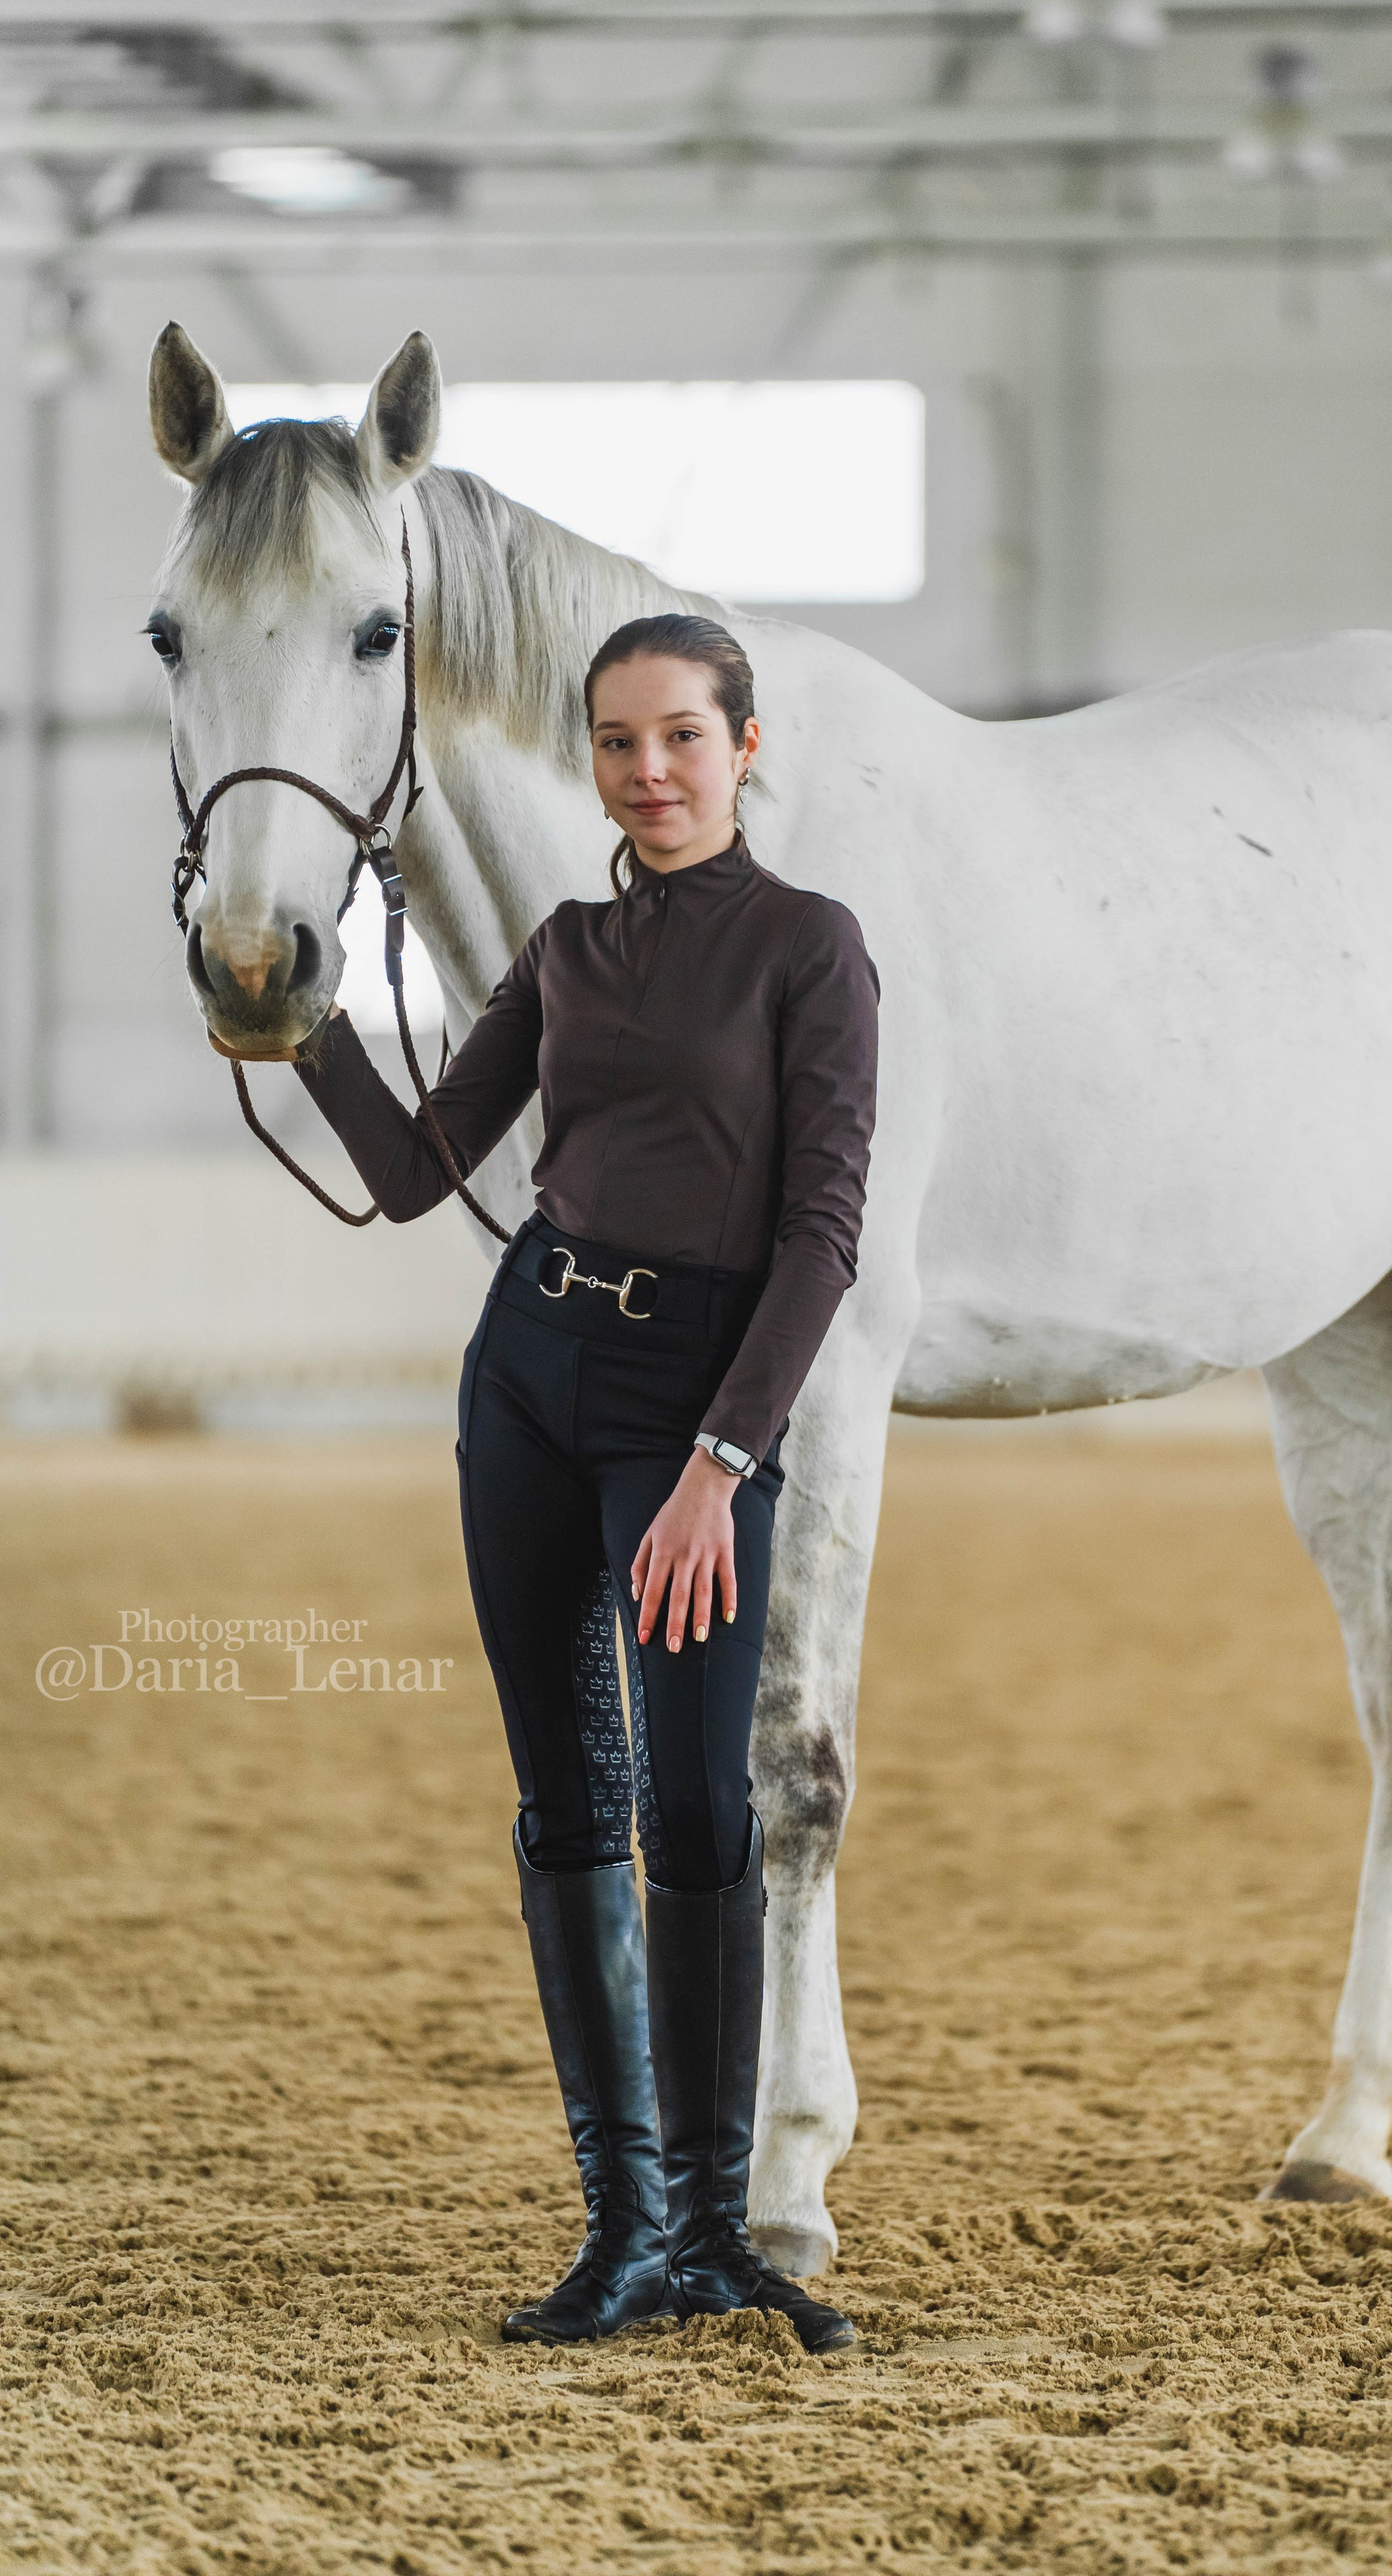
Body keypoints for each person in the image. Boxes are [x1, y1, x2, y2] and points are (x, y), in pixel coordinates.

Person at [286, 613, 878, 2356]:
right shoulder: (563, 949)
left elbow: (824, 1236)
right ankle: (624, 2235)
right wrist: (304, 1021)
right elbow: (415, 1172)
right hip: (527, 1378)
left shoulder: (809, 950)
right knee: (567, 1802)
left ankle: (713, 2235)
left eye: (682, 738)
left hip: (692, 1412)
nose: (649, 772)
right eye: (617, 745)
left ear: (743, 746)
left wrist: (717, 1465)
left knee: (699, 1814)